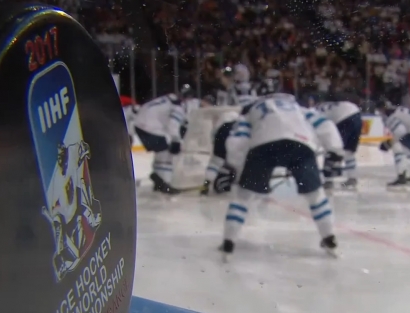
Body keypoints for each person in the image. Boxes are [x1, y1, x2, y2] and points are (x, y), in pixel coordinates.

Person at [219, 90, 345, 259]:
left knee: (243, 197)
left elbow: (238, 140)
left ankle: (228, 243)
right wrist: (335, 149)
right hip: (300, 144)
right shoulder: (296, 108)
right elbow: (324, 124)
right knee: (316, 195)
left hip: (263, 145)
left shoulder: (251, 111)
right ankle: (329, 238)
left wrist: (234, 165)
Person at [132, 84, 195, 194]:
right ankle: (164, 182)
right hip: (151, 128)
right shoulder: (178, 107)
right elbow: (173, 125)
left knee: (161, 150)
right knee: (166, 154)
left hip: (140, 126)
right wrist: (176, 140)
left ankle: (158, 180)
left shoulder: (166, 99)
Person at [314, 96, 363, 190]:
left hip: (343, 119)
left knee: (332, 150)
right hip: (356, 114)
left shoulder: (314, 111)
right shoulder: (329, 106)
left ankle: (328, 180)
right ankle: (352, 178)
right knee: (348, 150)